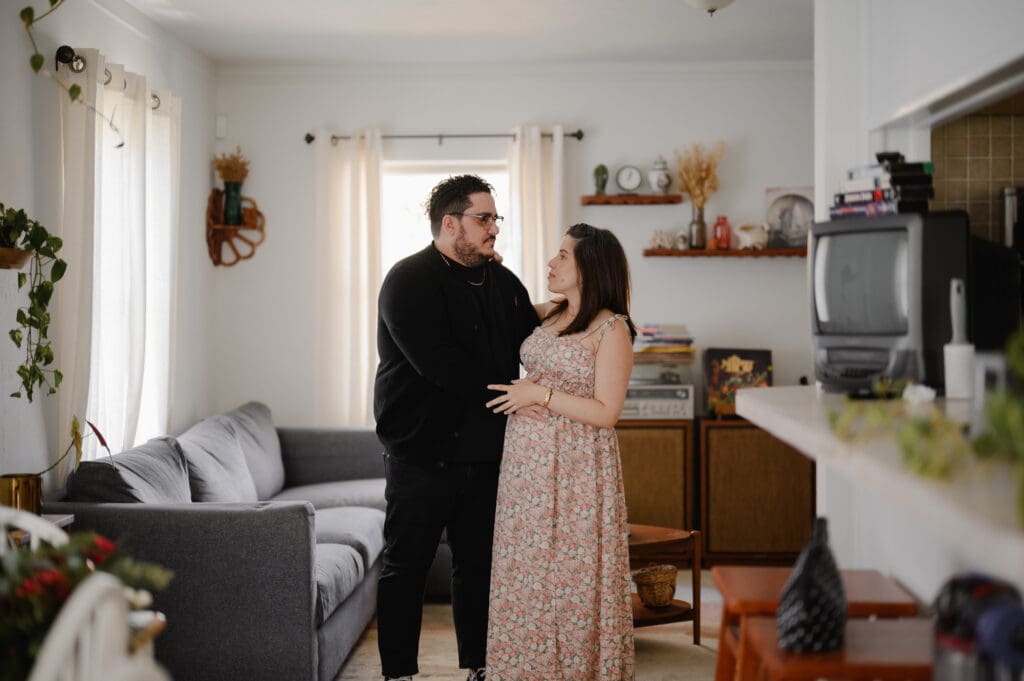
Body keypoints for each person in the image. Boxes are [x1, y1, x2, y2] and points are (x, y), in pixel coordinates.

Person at [373, 174, 540, 681]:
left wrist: (593, 315)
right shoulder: (407, 280)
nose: (494, 229)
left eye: (495, 218)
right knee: (407, 568)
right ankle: (399, 673)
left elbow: (533, 342)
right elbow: (439, 365)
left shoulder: (504, 283)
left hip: (486, 452)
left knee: (479, 567)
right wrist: (515, 397)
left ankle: (481, 667)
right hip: (420, 453)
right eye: (483, 218)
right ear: (451, 223)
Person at [484, 223, 638, 681]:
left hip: (578, 469)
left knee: (572, 577)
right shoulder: (551, 313)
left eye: (562, 256)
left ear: (590, 266)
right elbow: (500, 308)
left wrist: (541, 396)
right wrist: (495, 272)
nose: (551, 263)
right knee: (526, 573)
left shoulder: (613, 328)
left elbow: (608, 412)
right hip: (526, 468)